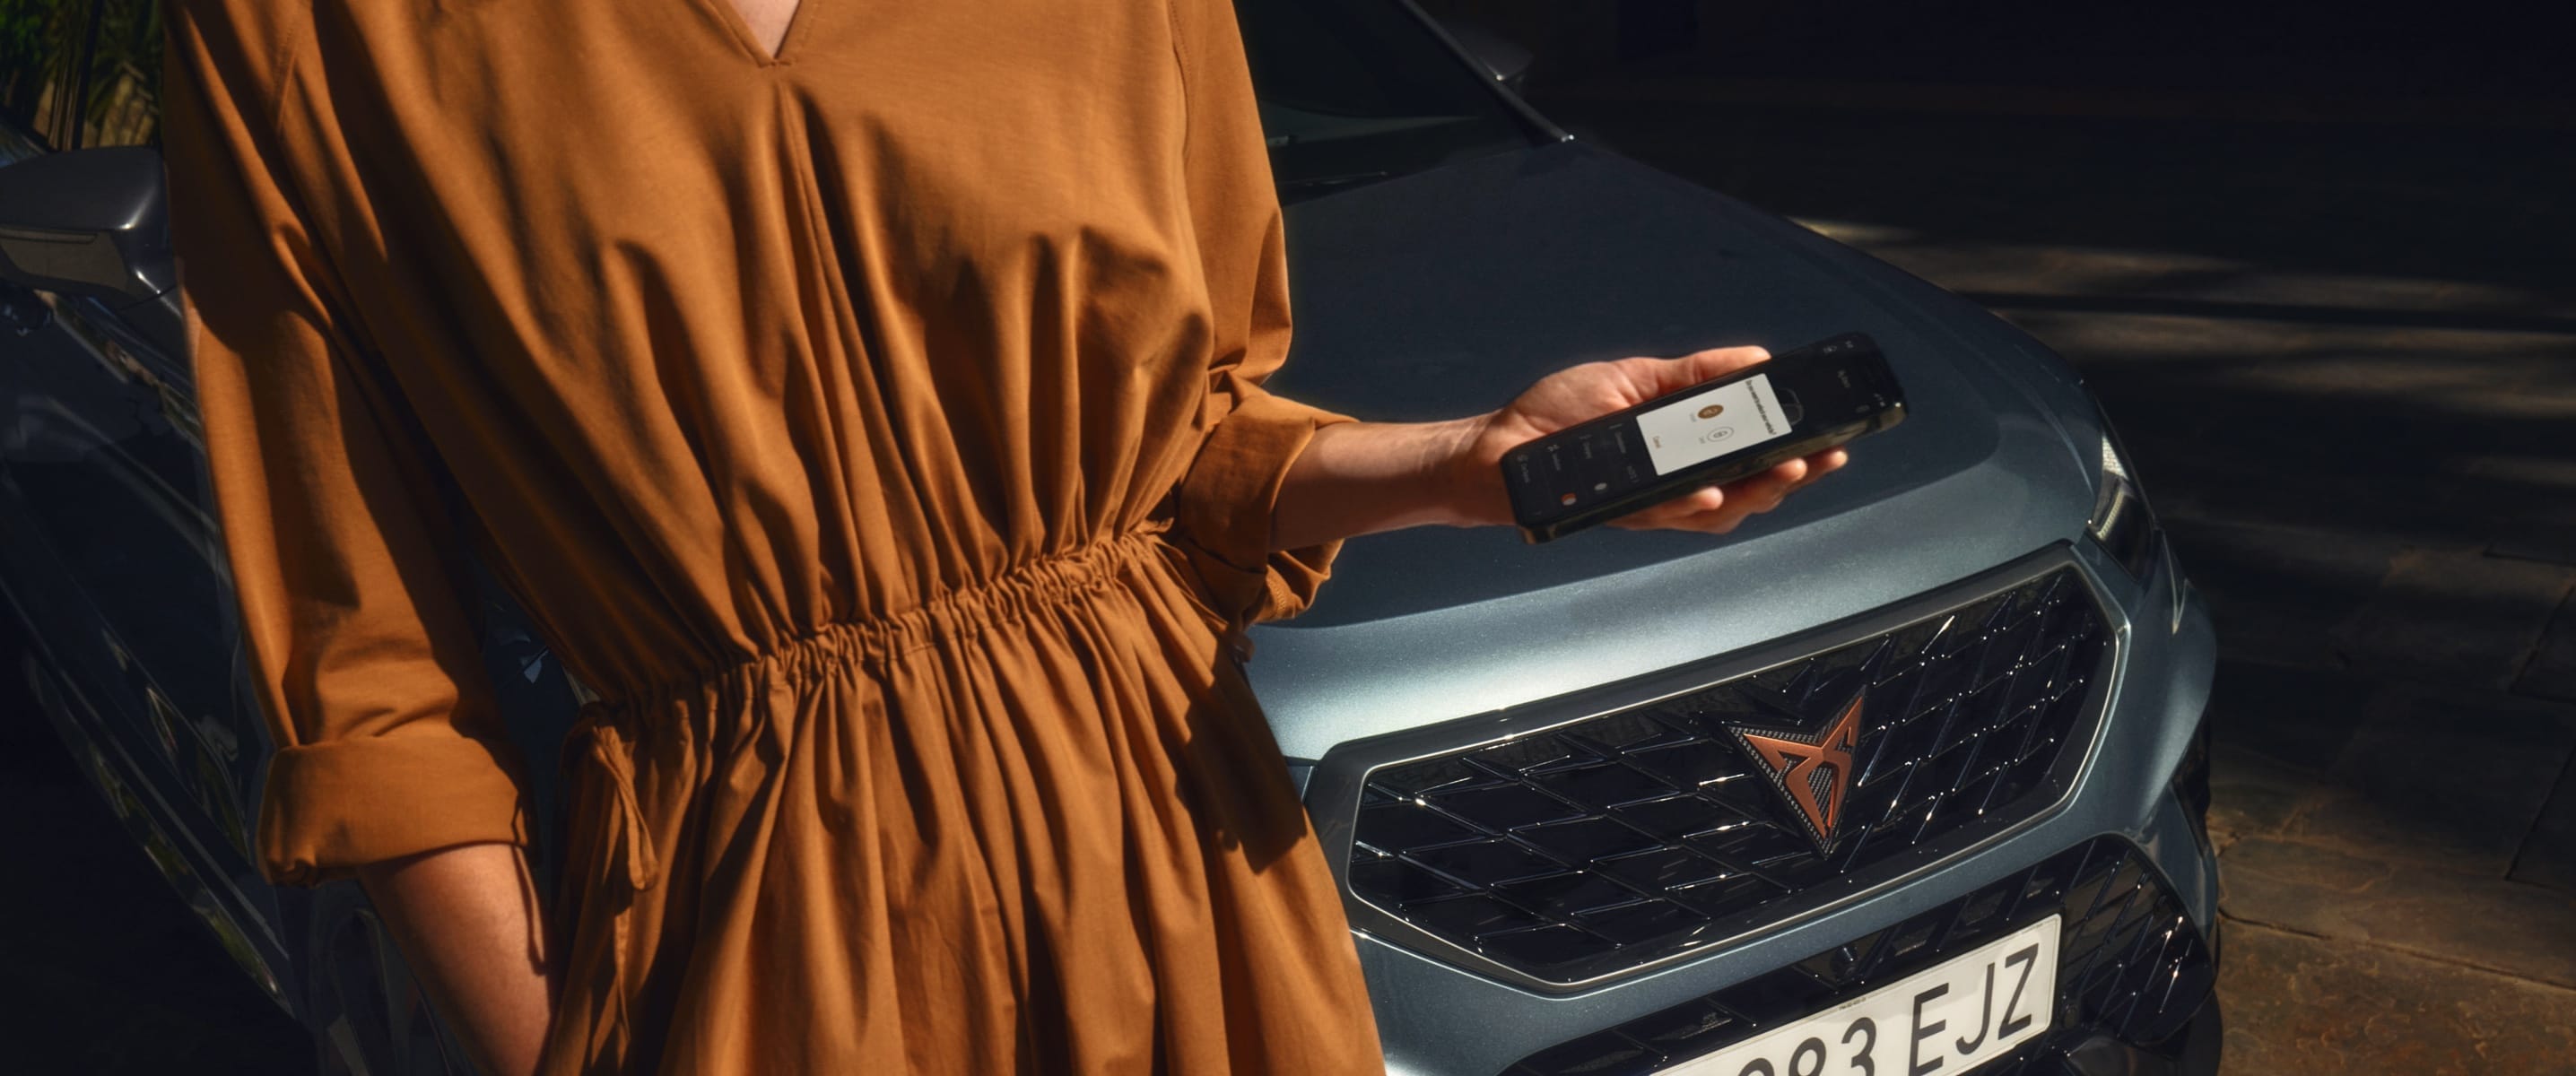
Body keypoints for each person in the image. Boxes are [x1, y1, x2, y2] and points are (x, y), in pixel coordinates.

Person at [161, 0, 1848, 1072]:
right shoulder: (304, 35)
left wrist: (1468, 464)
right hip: (754, 955)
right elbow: (370, 685)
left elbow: (1178, 459)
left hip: (1177, 875)